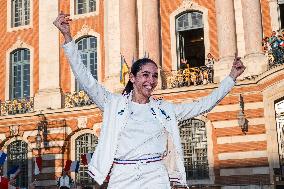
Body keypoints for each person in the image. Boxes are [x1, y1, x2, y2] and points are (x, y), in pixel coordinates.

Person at [53, 13, 246, 189]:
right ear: (132, 77)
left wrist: (231, 78)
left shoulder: (165, 109)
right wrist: (68, 37)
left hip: (156, 175)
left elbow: (204, 105)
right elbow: (86, 79)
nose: (151, 81)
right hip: (122, 175)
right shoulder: (113, 104)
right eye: (145, 75)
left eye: (154, 76)